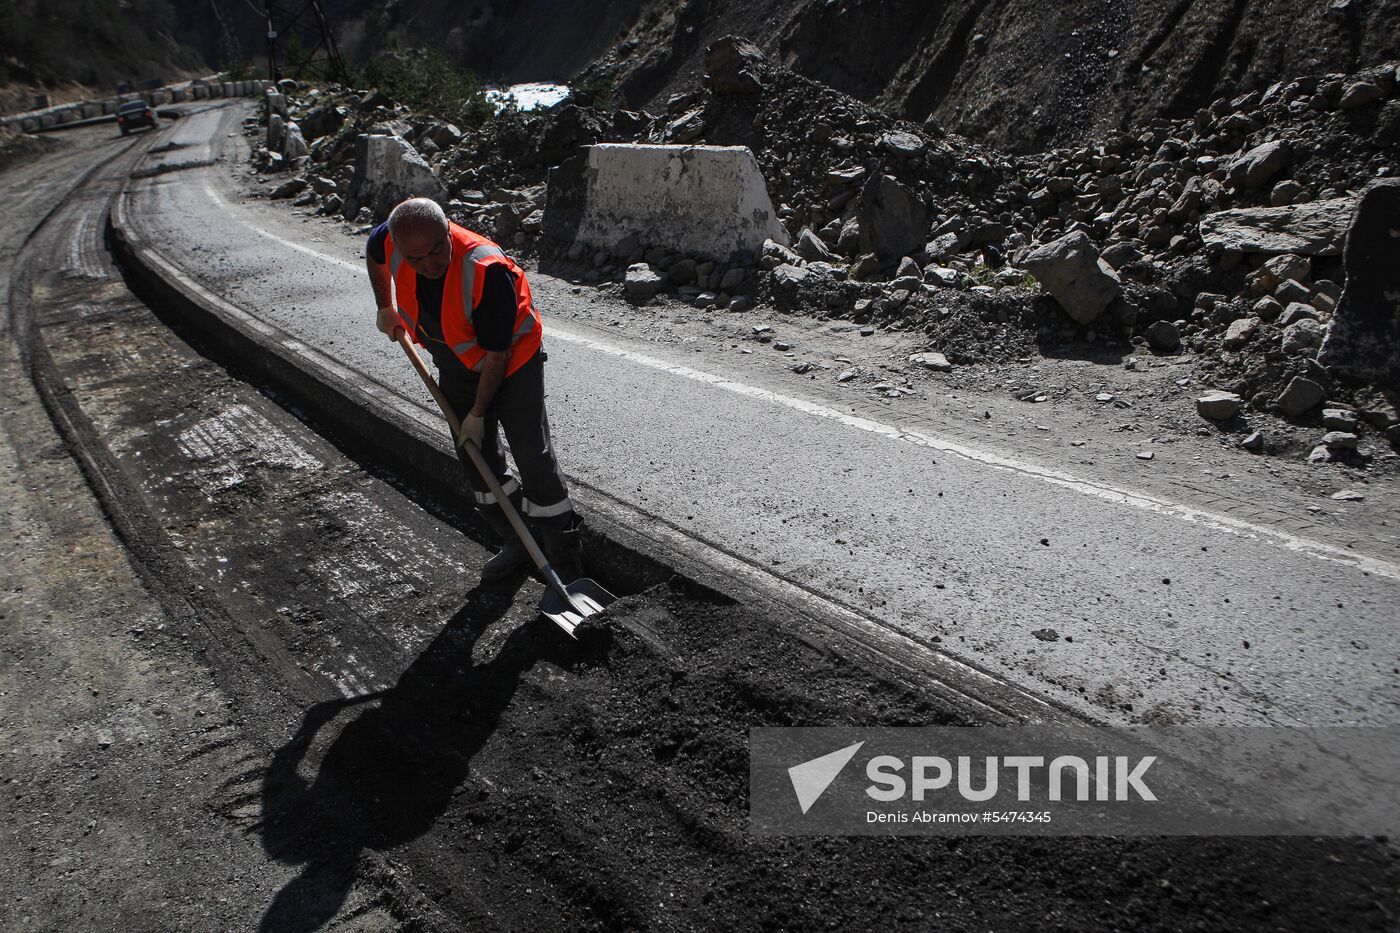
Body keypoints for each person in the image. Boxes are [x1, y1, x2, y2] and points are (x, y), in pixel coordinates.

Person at [365, 197, 582, 582]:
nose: (430, 265)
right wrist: (385, 306)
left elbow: (497, 355)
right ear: (399, 247)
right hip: (456, 363)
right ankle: (518, 541)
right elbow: (373, 252)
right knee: (474, 457)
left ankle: (564, 559)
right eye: (415, 259)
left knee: (532, 455)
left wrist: (478, 416)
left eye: (437, 249)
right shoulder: (391, 239)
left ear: (448, 230)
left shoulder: (485, 269)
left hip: (513, 364)